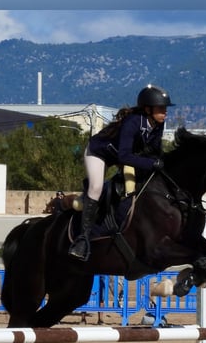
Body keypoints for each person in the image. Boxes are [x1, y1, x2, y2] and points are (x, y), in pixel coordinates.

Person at [68, 84, 174, 261]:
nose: (165, 112)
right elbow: (125, 156)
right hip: (99, 153)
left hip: (120, 156)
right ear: (148, 109)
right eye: (161, 108)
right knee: (96, 187)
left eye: (165, 108)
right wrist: (150, 163)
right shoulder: (132, 122)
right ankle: (83, 239)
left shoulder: (157, 124)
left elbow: (155, 151)